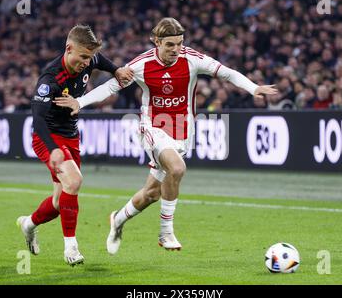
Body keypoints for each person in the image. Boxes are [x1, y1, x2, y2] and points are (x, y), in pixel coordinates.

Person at [54, 18, 277, 254]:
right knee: (177, 168)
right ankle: (165, 232)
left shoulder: (191, 59)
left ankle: (118, 219)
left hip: (182, 131)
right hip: (153, 127)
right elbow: (111, 87)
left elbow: (227, 73)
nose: (176, 50)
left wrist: (254, 88)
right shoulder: (141, 64)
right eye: (170, 45)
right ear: (156, 41)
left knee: (151, 194)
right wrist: (80, 101)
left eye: (179, 44)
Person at [16, 24, 133, 266]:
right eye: (82, 57)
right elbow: (37, 120)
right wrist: (53, 148)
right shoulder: (50, 79)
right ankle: (71, 247)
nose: (86, 63)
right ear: (68, 49)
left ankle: (29, 224)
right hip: (47, 137)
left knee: (60, 202)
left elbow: (100, 59)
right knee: (75, 181)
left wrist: (116, 70)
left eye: (88, 58)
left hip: (70, 136)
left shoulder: (89, 58)